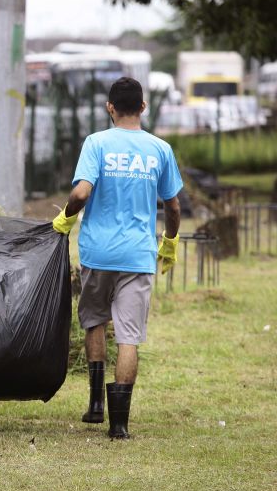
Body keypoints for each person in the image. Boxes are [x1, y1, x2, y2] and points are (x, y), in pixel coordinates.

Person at [52, 77, 183, 439]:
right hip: (138, 256)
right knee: (128, 337)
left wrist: (66, 215)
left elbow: (81, 192)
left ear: (110, 108)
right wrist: (169, 241)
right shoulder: (160, 149)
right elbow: (172, 205)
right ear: (143, 107)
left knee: (94, 321)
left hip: (98, 252)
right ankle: (119, 425)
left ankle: (95, 403)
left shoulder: (96, 143)